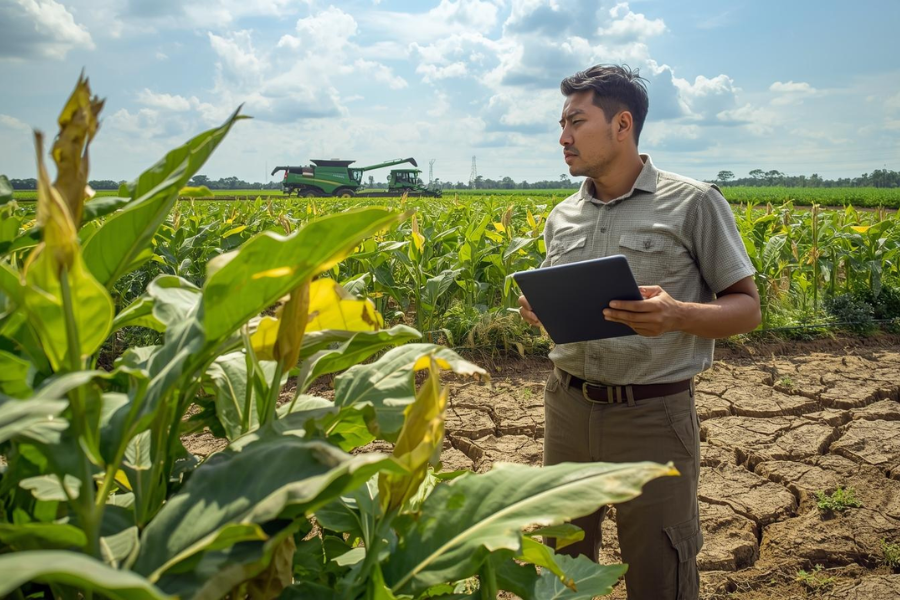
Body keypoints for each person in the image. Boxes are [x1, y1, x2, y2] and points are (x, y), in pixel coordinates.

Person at [518, 65, 761, 600]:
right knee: (560, 565)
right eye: (562, 124)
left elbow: (747, 308)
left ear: (622, 124)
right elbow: (571, 300)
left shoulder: (694, 202)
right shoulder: (563, 215)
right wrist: (540, 309)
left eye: (576, 122)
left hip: (653, 417)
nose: (563, 137)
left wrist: (679, 315)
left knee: (660, 571)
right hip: (567, 409)